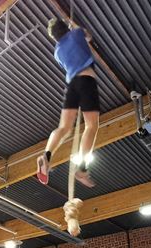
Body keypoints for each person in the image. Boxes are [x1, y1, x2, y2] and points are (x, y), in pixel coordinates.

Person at [37, 18, 100, 188]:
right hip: (86, 80)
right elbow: (88, 36)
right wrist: (75, 26)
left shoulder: (57, 51)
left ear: (55, 38)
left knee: (64, 128)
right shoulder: (76, 33)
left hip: (72, 85)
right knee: (91, 126)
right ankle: (82, 169)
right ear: (67, 28)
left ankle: (46, 156)